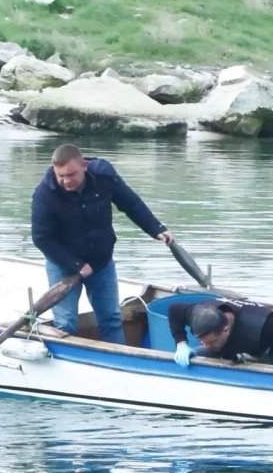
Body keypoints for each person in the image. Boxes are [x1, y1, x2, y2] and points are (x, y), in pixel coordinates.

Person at [31, 143, 174, 341]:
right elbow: (41, 238)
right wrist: (76, 265)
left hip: (101, 262)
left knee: (112, 318)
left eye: (71, 174)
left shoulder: (104, 175)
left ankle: (120, 361)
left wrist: (157, 229)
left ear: (85, 166)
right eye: (60, 175)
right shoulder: (44, 194)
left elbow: (130, 203)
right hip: (63, 265)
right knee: (65, 323)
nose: (65, 181)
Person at [168, 298, 273, 369]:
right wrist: (181, 343)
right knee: (191, 357)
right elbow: (173, 310)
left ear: (226, 329)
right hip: (229, 350)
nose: (206, 345)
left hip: (261, 351)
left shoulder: (266, 327)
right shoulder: (198, 312)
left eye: (212, 341)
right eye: (202, 340)